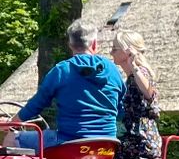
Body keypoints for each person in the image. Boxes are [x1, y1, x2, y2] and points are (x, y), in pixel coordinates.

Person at [8, 20, 125, 150]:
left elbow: (36, 104)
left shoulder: (62, 70)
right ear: (94, 44)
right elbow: (121, 109)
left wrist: (12, 122)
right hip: (106, 146)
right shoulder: (112, 70)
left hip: (70, 144)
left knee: (12, 138)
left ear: (70, 44)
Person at [110, 29, 162, 159]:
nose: (111, 53)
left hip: (140, 143)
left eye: (115, 49)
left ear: (127, 52)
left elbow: (148, 93)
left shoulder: (140, 73)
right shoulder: (131, 78)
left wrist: (134, 67)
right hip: (141, 141)